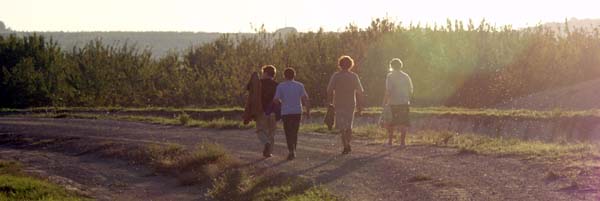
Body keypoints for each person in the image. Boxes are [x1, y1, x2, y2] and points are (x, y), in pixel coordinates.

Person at [327, 55, 364, 154]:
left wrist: (329, 102)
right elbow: (360, 91)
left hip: (339, 103)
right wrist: (360, 105)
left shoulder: (336, 76)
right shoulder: (354, 76)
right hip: (351, 103)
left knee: (341, 126)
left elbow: (329, 90)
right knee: (349, 125)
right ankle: (348, 143)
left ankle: (346, 145)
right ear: (350, 65)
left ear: (340, 64)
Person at [273, 67, 310, 160]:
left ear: (284, 75)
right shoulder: (299, 85)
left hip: (286, 112)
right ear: (294, 75)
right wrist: (308, 111)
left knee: (288, 132)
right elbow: (305, 99)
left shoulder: (281, 86)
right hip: (297, 111)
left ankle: (291, 150)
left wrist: (281, 103)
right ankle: (294, 150)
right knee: (295, 131)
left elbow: (276, 100)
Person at [249, 65, 279, 158]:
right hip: (273, 111)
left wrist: (253, 79)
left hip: (261, 110)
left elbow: (248, 88)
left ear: (265, 73)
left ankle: (266, 143)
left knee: (260, 130)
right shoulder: (276, 84)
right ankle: (269, 152)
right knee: (272, 132)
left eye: (263, 73)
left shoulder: (259, 83)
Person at [383, 58, 413, 146]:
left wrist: (385, 101)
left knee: (391, 122)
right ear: (401, 66)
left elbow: (388, 90)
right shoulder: (406, 76)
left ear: (391, 66)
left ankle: (390, 141)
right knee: (403, 122)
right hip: (404, 102)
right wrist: (408, 99)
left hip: (393, 102)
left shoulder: (390, 76)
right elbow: (410, 89)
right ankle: (402, 142)